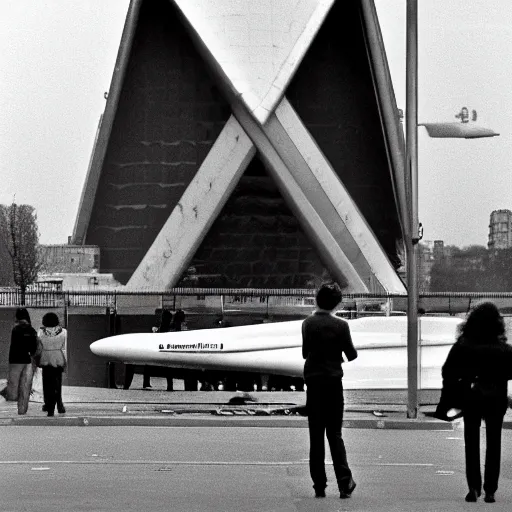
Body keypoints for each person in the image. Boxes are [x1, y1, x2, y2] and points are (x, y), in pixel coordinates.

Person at [442, 302, 512, 504]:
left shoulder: (463, 346)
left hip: (471, 395)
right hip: (496, 396)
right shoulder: (503, 348)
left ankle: (473, 487)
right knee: (494, 443)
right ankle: (490, 490)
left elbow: (448, 371)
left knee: (471, 442)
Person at [302, 283, 358, 499]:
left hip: (314, 383)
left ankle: (319, 485)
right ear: (337, 303)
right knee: (335, 434)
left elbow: (306, 352)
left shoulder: (308, 323)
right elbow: (351, 355)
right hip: (333, 383)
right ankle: (344, 483)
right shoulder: (341, 325)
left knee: (315, 436)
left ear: (317, 299)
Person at [0, 308, 38, 414]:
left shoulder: (15, 330)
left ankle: (7, 394)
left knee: (13, 386)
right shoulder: (31, 330)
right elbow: (33, 349)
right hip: (27, 360)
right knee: (25, 386)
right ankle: (22, 410)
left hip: (15, 361)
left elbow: (14, 346)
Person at [37, 312, 67, 417]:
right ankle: (59, 405)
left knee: (47, 384)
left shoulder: (41, 332)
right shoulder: (63, 332)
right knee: (57, 384)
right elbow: (64, 348)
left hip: (45, 357)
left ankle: (49, 406)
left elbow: (39, 348)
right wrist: (65, 362)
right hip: (58, 357)